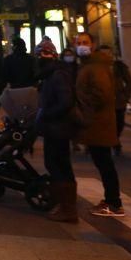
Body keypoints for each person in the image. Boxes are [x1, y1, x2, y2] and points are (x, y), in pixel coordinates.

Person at [73, 32, 124, 217]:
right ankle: (111, 200)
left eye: (85, 42)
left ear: (93, 45)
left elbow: (101, 94)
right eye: (79, 42)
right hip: (96, 122)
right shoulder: (90, 65)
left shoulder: (96, 67)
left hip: (98, 123)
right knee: (103, 162)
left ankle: (114, 202)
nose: (82, 45)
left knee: (104, 163)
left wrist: (82, 105)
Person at [35, 44, 79, 222]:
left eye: (44, 53)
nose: (40, 57)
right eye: (39, 53)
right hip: (54, 127)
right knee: (57, 165)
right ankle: (63, 204)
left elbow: (65, 101)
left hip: (58, 128)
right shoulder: (50, 75)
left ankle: (67, 208)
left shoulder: (57, 75)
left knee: (58, 165)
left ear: (53, 55)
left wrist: (47, 114)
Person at [105, 45, 131, 156]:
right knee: (107, 124)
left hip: (118, 101)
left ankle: (114, 140)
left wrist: (125, 96)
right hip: (104, 101)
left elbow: (130, 82)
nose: (106, 55)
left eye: (108, 53)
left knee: (119, 123)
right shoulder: (97, 67)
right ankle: (114, 143)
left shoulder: (120, 66)